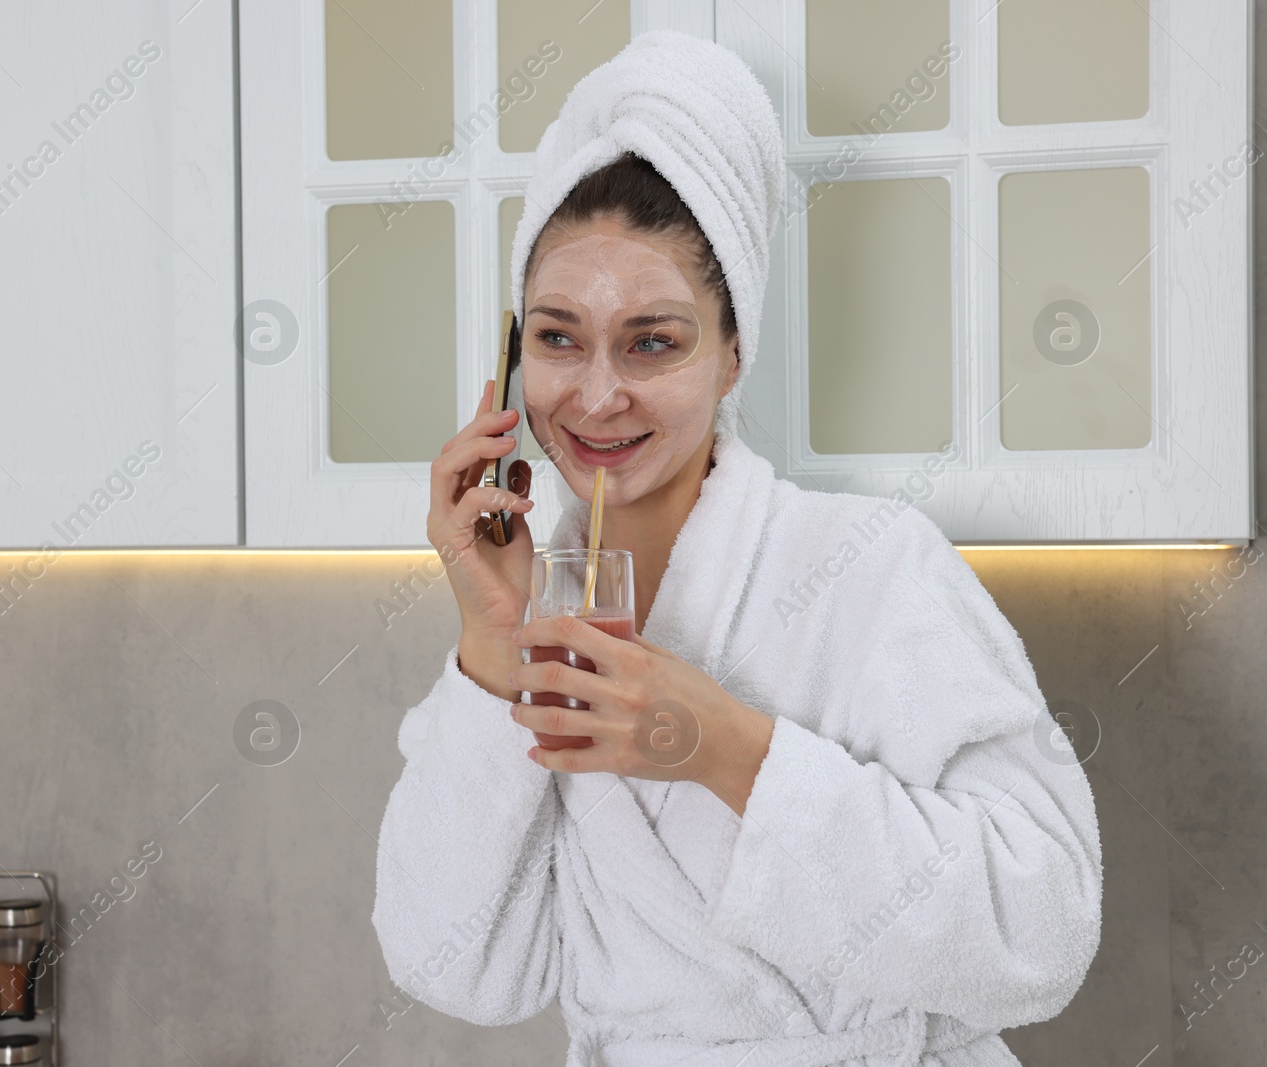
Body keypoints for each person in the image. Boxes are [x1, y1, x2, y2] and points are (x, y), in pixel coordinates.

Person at [371, 31, 1100, 1067]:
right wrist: (492, 640)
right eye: (557, 336)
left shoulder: (873, 565)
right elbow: (457, 968)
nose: (594, 394)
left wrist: (722, 746)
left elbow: (1044, 930)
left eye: (653, 340)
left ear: (731, 356)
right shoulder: (546, 606)